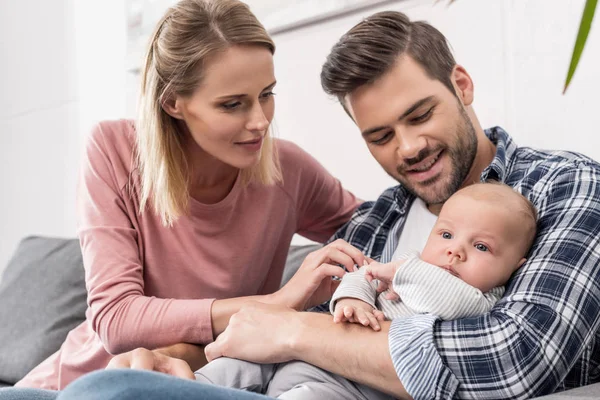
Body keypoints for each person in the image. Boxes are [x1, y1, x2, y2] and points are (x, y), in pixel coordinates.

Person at [16, 8, 600, 400]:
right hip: (151, 368)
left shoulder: (557, 187)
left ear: (462, 86)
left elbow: (517, 356)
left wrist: (290, 329)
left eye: (421, 115)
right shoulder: (379, 219)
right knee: (111, 388)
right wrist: (192, 356)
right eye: (378, 136)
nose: (409, 148)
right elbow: (270, 341)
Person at [0, 0, 364, 398]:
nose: (260, 120)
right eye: (232, 104)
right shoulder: (114, 150)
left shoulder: (287, 170)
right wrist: (271, 305)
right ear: (173, 102)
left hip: (199, 385)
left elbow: (383, 231)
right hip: (78, 382)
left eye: (267, 94)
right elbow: (116, 319)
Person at [193, 182, 538, 399]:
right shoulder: (408, 262)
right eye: (446, 235)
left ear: (514, 266)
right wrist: (353, 298)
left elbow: (442, 298)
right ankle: (189, 388)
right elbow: (362, 276)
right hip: (305, 354)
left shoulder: (483, 299)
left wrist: (396, 271)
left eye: (481, 247)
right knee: (235, 366)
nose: (455, 251)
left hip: (350, 386)